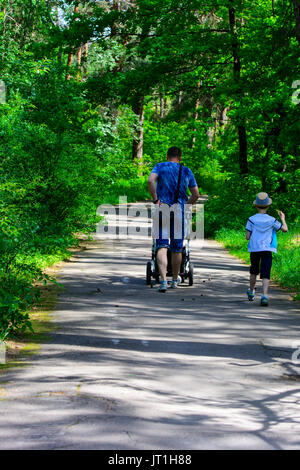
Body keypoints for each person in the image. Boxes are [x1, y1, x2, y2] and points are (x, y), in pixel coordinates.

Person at [148, 147, 199, 292]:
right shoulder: (186, 171)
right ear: (180, 157)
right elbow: (196, 194)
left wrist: (156, 199)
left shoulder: (160, 166)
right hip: (179, 211)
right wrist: (186, 206)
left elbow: (150, 181)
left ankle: (163, 280)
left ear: (167, 156)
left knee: (162, 246)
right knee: (177, 248)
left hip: (162, 208)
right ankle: (175, 280)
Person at [245, 192, 288, 306]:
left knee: (254, 271)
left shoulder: (251, 219)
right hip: (267, 249)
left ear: (256, 205)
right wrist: (282, 218)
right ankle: (264, 296)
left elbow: (247, 237)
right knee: (266, 273)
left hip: (254, 249)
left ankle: (251, 292)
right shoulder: (272, 220)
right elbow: (284, 229)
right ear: (268, 206)